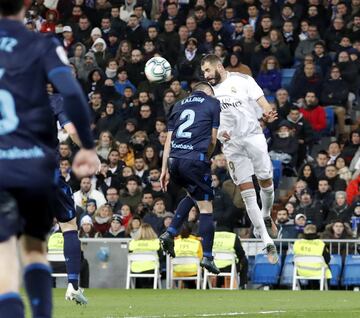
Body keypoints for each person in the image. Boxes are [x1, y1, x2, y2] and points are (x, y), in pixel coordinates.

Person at [0, 1, 99, 317]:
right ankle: (70, 286)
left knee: (6, 252)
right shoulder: (41, 44)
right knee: (43, 240)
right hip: (39, 167)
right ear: (24, 7)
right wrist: (87, 146)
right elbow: (72, 96)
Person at [200, 54, 279, 264]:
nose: (206, 75)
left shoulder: (242, 80)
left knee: (266, 183)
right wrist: (217, 134)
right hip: (232, 146)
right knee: (247, 193)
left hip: (253, 137)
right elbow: (208, 121)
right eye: (203, 73)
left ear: (218, 66)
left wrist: (267, 112)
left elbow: (262, 102)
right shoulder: (208, 92)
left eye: (207, 70)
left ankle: (266, 214)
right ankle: (266, 240)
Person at [159, 82, 221, 274]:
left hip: (174, 161)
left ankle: (170, 232)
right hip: (194, 159)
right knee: (205, 205)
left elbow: (168, 140)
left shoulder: (177, 105)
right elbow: (212, 139)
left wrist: (164, 169)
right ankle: (208, 256)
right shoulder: (213, 103)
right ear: (208, 91)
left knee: (193, 194)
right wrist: (207, 157)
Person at [293, 224, 332, 289]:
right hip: (318, 270)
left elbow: (294, 258)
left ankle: (301, 288)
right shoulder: (320, 244)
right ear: (315, 232)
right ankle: (326, 288)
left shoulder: (297, 243)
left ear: (304, 232)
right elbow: (328, 259)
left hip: (301, 271)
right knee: (326, 266)